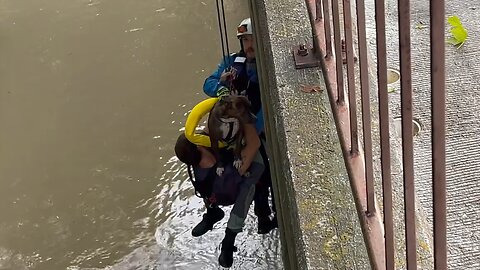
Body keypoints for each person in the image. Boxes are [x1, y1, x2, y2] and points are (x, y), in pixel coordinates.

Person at [203, 17, 277, 234]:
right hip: (234, 130)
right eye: (245, 41)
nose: (249, 45)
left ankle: (263, 216)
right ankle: (213, 208)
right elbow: (208, 83)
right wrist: (222, 86)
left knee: (264, 174)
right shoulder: (232, 62)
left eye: (252, 39)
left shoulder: (266, 66)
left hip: (255, 126)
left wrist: (256, 128)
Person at [174, 133, 264, 268]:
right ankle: (229, 239)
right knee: (249, 185)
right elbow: (254, 144)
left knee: (204, 187)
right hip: (231, 190)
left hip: (214, 195)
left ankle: (212, 213)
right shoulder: (224, 171)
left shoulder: (195, 161)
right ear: (199, 146)